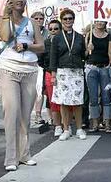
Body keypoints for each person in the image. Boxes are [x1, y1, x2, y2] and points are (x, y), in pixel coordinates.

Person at [0, 0, 44, 171]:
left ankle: (24, 155)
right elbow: (5, 37)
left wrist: (26, 45)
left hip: (29, 71)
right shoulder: (1, 19)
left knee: (25, 115)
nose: (20, 0)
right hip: (8, 70)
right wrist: (7, 15)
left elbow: (41, 47)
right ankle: (11, 158)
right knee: (11, 113)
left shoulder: (32, 23)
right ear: (10, 0)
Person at [49, 9, 87, 141]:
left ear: (74, 20)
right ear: (61, 20)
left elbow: (84, 56)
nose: (68, 21)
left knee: (77, 102)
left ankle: (79, 129)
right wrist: (53, 75)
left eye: (70, 18)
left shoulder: (80, 37)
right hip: (62, 72)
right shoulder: (57, 38)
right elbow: (53, 57)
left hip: (76, 71)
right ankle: (66, 129)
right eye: (65, 19)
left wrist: (89, 50)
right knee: (63, 102)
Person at [85, 21, 111, 132]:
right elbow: (84, 54)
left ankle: (107, 123)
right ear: (94, 22)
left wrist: (110, 65)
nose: (99, 23)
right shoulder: (89, 35)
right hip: (92, 68)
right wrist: (88, 48)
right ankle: (95, 123)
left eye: (102, 21)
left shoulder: (109, 36)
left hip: (105, 68)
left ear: (105, 22)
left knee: (106, 97)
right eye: (97, 21)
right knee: (93, 97)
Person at [43, 19, 63, 137]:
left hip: (64, 73)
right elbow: (41, 59)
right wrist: (48, 68)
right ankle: (57, 126)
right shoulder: (46, 43)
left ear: (60, 30)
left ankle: (66, 125)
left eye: (56, 28)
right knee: (53, 101)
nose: (53, 31)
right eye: (50, 29)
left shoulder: (65, 42)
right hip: (50, 74)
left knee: (64, 101)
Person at [31, 11, 49, 125]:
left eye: (41, 18)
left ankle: (38, 114)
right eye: (36, 18)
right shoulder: (26, 31)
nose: (38, 20)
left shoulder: (47, 33)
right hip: (26, 64)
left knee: (39, 91)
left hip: (40, 65)